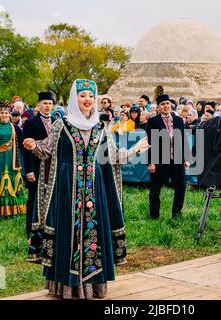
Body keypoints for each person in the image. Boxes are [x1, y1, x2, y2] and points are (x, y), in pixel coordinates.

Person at [23, 79, 149, 300]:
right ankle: (66, 286)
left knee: (93, 234)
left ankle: (92, 286)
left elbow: (114, 156)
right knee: (67, 232)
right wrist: (34, 146)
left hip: (94, 189)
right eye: (83, 96)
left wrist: (136, 149)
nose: (87, 100)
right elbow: (47, 150)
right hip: (66, 188)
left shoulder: (101, 127)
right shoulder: (61, 124)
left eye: (91, 96)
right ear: (75, 98)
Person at [146, 94, 190, 220]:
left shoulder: (178, 120)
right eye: (162, 104)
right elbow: (149, 143)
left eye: (167, 103)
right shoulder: (153, 121)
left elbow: (183, 140)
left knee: (181, 186)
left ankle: (176, 214)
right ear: (158, 107)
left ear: (170, 105)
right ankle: (154, 216)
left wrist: (186, 158)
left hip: (177, 158)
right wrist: (151, 162)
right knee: (155, 188)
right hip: (160, 159)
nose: (165, 106)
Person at [23, 92, 55, 238]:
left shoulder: (57, 121)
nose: (47, 106)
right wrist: (29, 170)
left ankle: (49, 227)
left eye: (49, 103)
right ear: (39, 105)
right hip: (36, 165)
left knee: (51, 196)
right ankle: (31, 229)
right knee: (34, 196)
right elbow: (26, 148)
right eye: (44, 103)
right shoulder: (30, 122)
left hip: (53, 166)